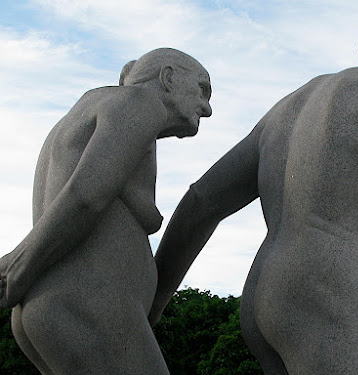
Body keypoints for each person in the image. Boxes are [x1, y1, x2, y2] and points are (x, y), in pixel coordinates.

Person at [149, 19, 358, 375]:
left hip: (263, 293)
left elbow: (201, 203)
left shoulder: (290, 107)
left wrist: (154, 304)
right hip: (325, 290)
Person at [0, 48, 212, 375]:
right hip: (92, 302)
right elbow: (86, 195)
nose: (207, 109)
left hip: (50, 304)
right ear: (168, 78)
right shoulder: (140, 103)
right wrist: (20, 263)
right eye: (202, 90)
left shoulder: (88, 112)